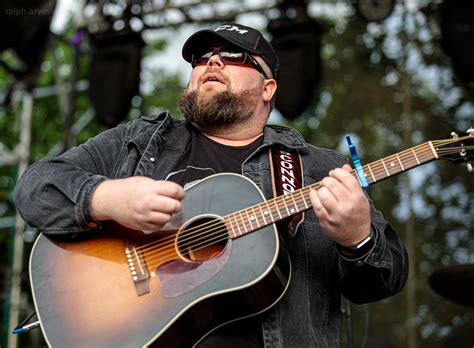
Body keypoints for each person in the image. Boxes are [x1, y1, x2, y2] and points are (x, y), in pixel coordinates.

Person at [15, 22, 408, 347]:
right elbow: (34, 188)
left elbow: (383, 281)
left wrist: (359, 240)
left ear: (268, 89)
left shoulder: (320, 169)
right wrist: (105, 197)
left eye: (235, 55)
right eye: (202, 57)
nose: (213, 61)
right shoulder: (139, 141)